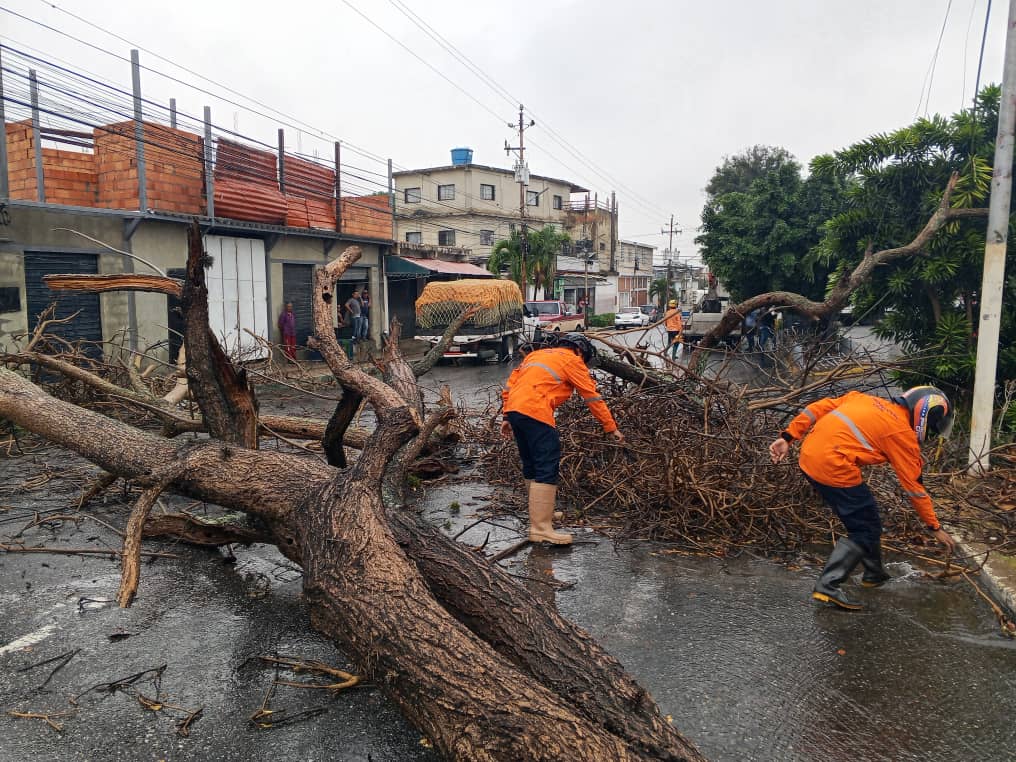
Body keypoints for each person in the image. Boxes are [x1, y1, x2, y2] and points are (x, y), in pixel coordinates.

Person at [769, 386, 957, 611]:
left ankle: (874, 574)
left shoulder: (862, 399)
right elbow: (915, 488)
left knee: (867, 519)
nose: (934, 431)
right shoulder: (901, 434)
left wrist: (788, 437)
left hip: (809, 457)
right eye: (935, 425)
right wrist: (933, 526)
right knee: (864, 529)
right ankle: (828, 586)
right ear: (925, 415)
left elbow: (815, 408)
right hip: (833, 466)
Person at [501, 333, 624, 544]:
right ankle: (540, 529)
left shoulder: (535, 356)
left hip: (515, 409)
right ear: (580, 351)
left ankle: (542, 516)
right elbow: (592, 396)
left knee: (531, 464)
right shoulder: (572, 360)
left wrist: (506, 416)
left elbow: (510, 386)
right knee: (546, 466)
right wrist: (610, 427)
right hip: (536, 412)